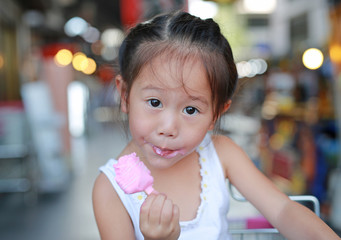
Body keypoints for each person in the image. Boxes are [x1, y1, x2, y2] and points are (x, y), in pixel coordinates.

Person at [92, 11, 340, 240]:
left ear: (215, 115)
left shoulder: (221, 153)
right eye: (154, 102)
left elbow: (283, 209)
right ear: (124, 95)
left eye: (191, 109)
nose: (168, 127)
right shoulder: (110, 190)